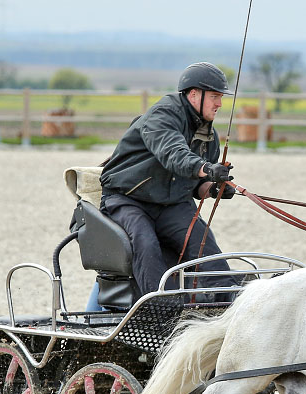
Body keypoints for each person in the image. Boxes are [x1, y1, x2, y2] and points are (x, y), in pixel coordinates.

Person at [99, 62, 239, 298]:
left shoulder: (209, 136)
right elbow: (174, 154)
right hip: (128, 199)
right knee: (145, 242)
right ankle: (160, 305)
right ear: (194, 94)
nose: (220, 104)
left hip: (172, 203)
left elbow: (196, 186)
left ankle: (228, 300)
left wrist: (214, 189)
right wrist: (206, 168)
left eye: (220, 97)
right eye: (215, 96)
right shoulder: (162, 115)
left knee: (202, 241)